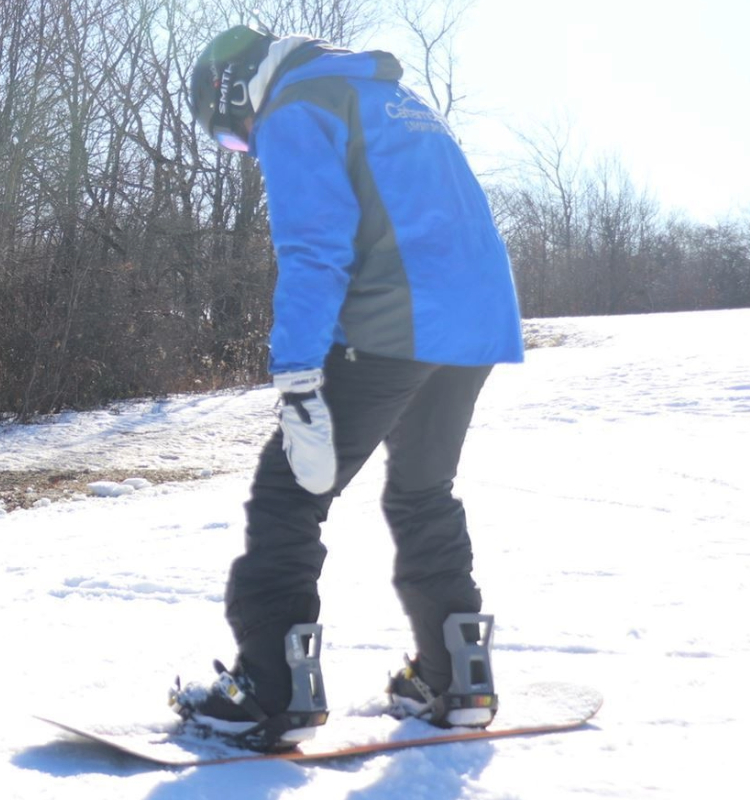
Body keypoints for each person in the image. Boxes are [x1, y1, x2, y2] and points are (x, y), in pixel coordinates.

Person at [170, 26, 525, 751]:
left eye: (233, 135)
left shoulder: (296, 107)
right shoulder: (395, 99)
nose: (246, 146)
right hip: (476, 324)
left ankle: (271, 693)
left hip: (395, 324)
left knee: (289, 495)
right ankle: (456, 682)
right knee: (423, 493)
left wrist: (299, 374)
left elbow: (314, 249)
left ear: (233, 93)